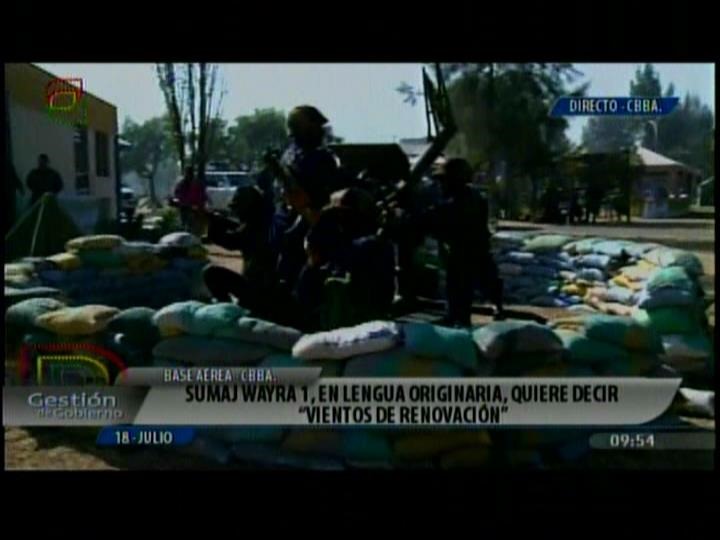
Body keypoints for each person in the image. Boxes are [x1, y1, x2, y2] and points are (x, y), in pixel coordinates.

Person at [419, 158, 504, 327]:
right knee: (477, 285)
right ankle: (491, 309)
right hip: (472, 252)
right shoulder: (472, 197)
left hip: (466, 254)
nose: (441, 185)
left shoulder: (458, 203)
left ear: (455, 181)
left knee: (462, 292)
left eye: (445, 181)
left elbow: (439, 221)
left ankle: (461, 321)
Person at [172, 166, 208, 234]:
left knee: (190, 224)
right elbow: (177, 193)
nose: (188, 175)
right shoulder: (183, 183)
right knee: (187, 224)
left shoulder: (194, 183)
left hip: (192, 208)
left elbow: (202, 195)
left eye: (188, 173)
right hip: (188, 207)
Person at [6, 161, 25, 234]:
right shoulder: (8, 165)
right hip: (9, 194)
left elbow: (14, 177)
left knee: (10, 216)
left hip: (9, 195)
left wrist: (20, 187)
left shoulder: (8, 165)